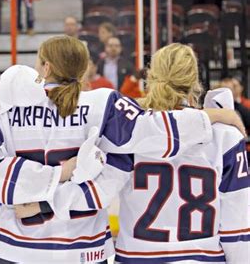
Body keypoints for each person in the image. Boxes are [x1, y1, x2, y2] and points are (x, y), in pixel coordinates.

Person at [0, 37, 243, 264]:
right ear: (84, 70)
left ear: (46, 68)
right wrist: (215, 115)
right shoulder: (103, 105)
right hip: (84, 252)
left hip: (18, 251)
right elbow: (145, 141)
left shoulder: (4, 108)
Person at [17, 43, 249, 264]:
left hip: (137, 256)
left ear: (150, 76)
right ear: (195, 82)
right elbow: (238, 227)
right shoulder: (226, 137)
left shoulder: (128, 136)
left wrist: (43, 204)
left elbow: (98, 193)